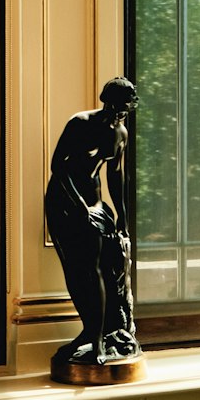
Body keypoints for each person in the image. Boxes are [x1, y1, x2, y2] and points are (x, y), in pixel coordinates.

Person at [44, 77, 141, 370]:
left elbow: (116, 175)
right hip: (65, 203)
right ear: (105, 101)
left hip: (96, 205)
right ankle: (95, 339)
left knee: (110, 266)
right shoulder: (81, 123)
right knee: (83, 270)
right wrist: (81, 208)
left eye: (126, 108)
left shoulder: (121, 133)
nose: (120, 113)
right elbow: (58, 166)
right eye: (116, 106)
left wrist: (122, 217)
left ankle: (102, 331)